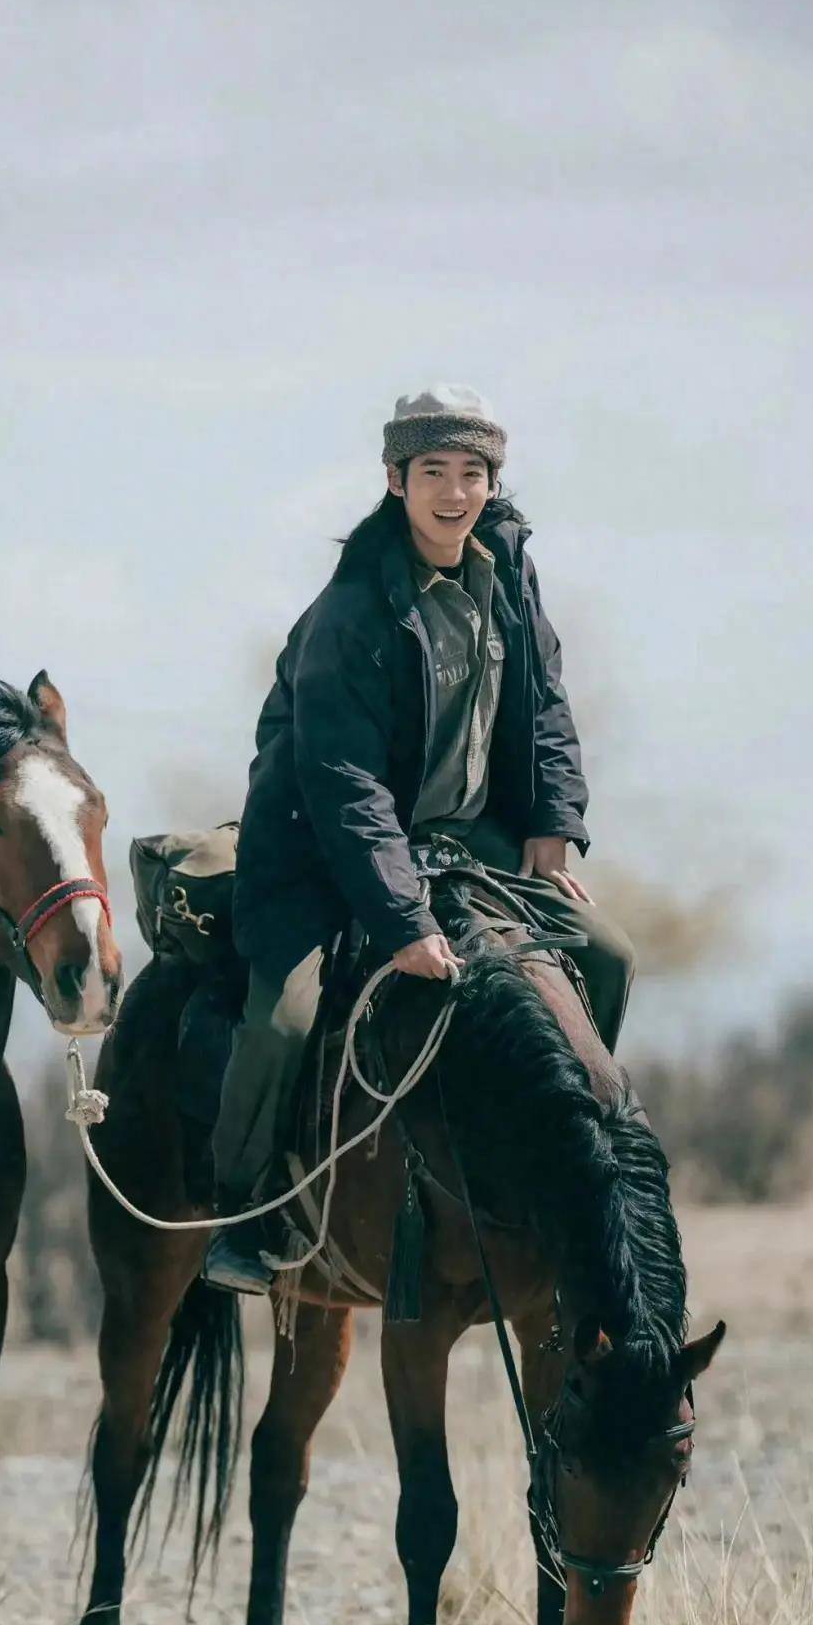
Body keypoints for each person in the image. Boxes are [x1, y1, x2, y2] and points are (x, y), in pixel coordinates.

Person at [204, 385, 635, 1295]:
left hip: (470, 841)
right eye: (432, 471)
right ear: (395, 480)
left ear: (491, 482)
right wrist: (401, 920)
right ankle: (244, 1212)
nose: (453, 491)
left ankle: (574, 1159)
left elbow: (545, 703)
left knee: (608, 956)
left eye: (471, 473)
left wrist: (554, 825)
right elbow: (343, 785)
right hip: (324, 853)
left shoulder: (508, 571)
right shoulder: (350, 612)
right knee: (283, 1019)